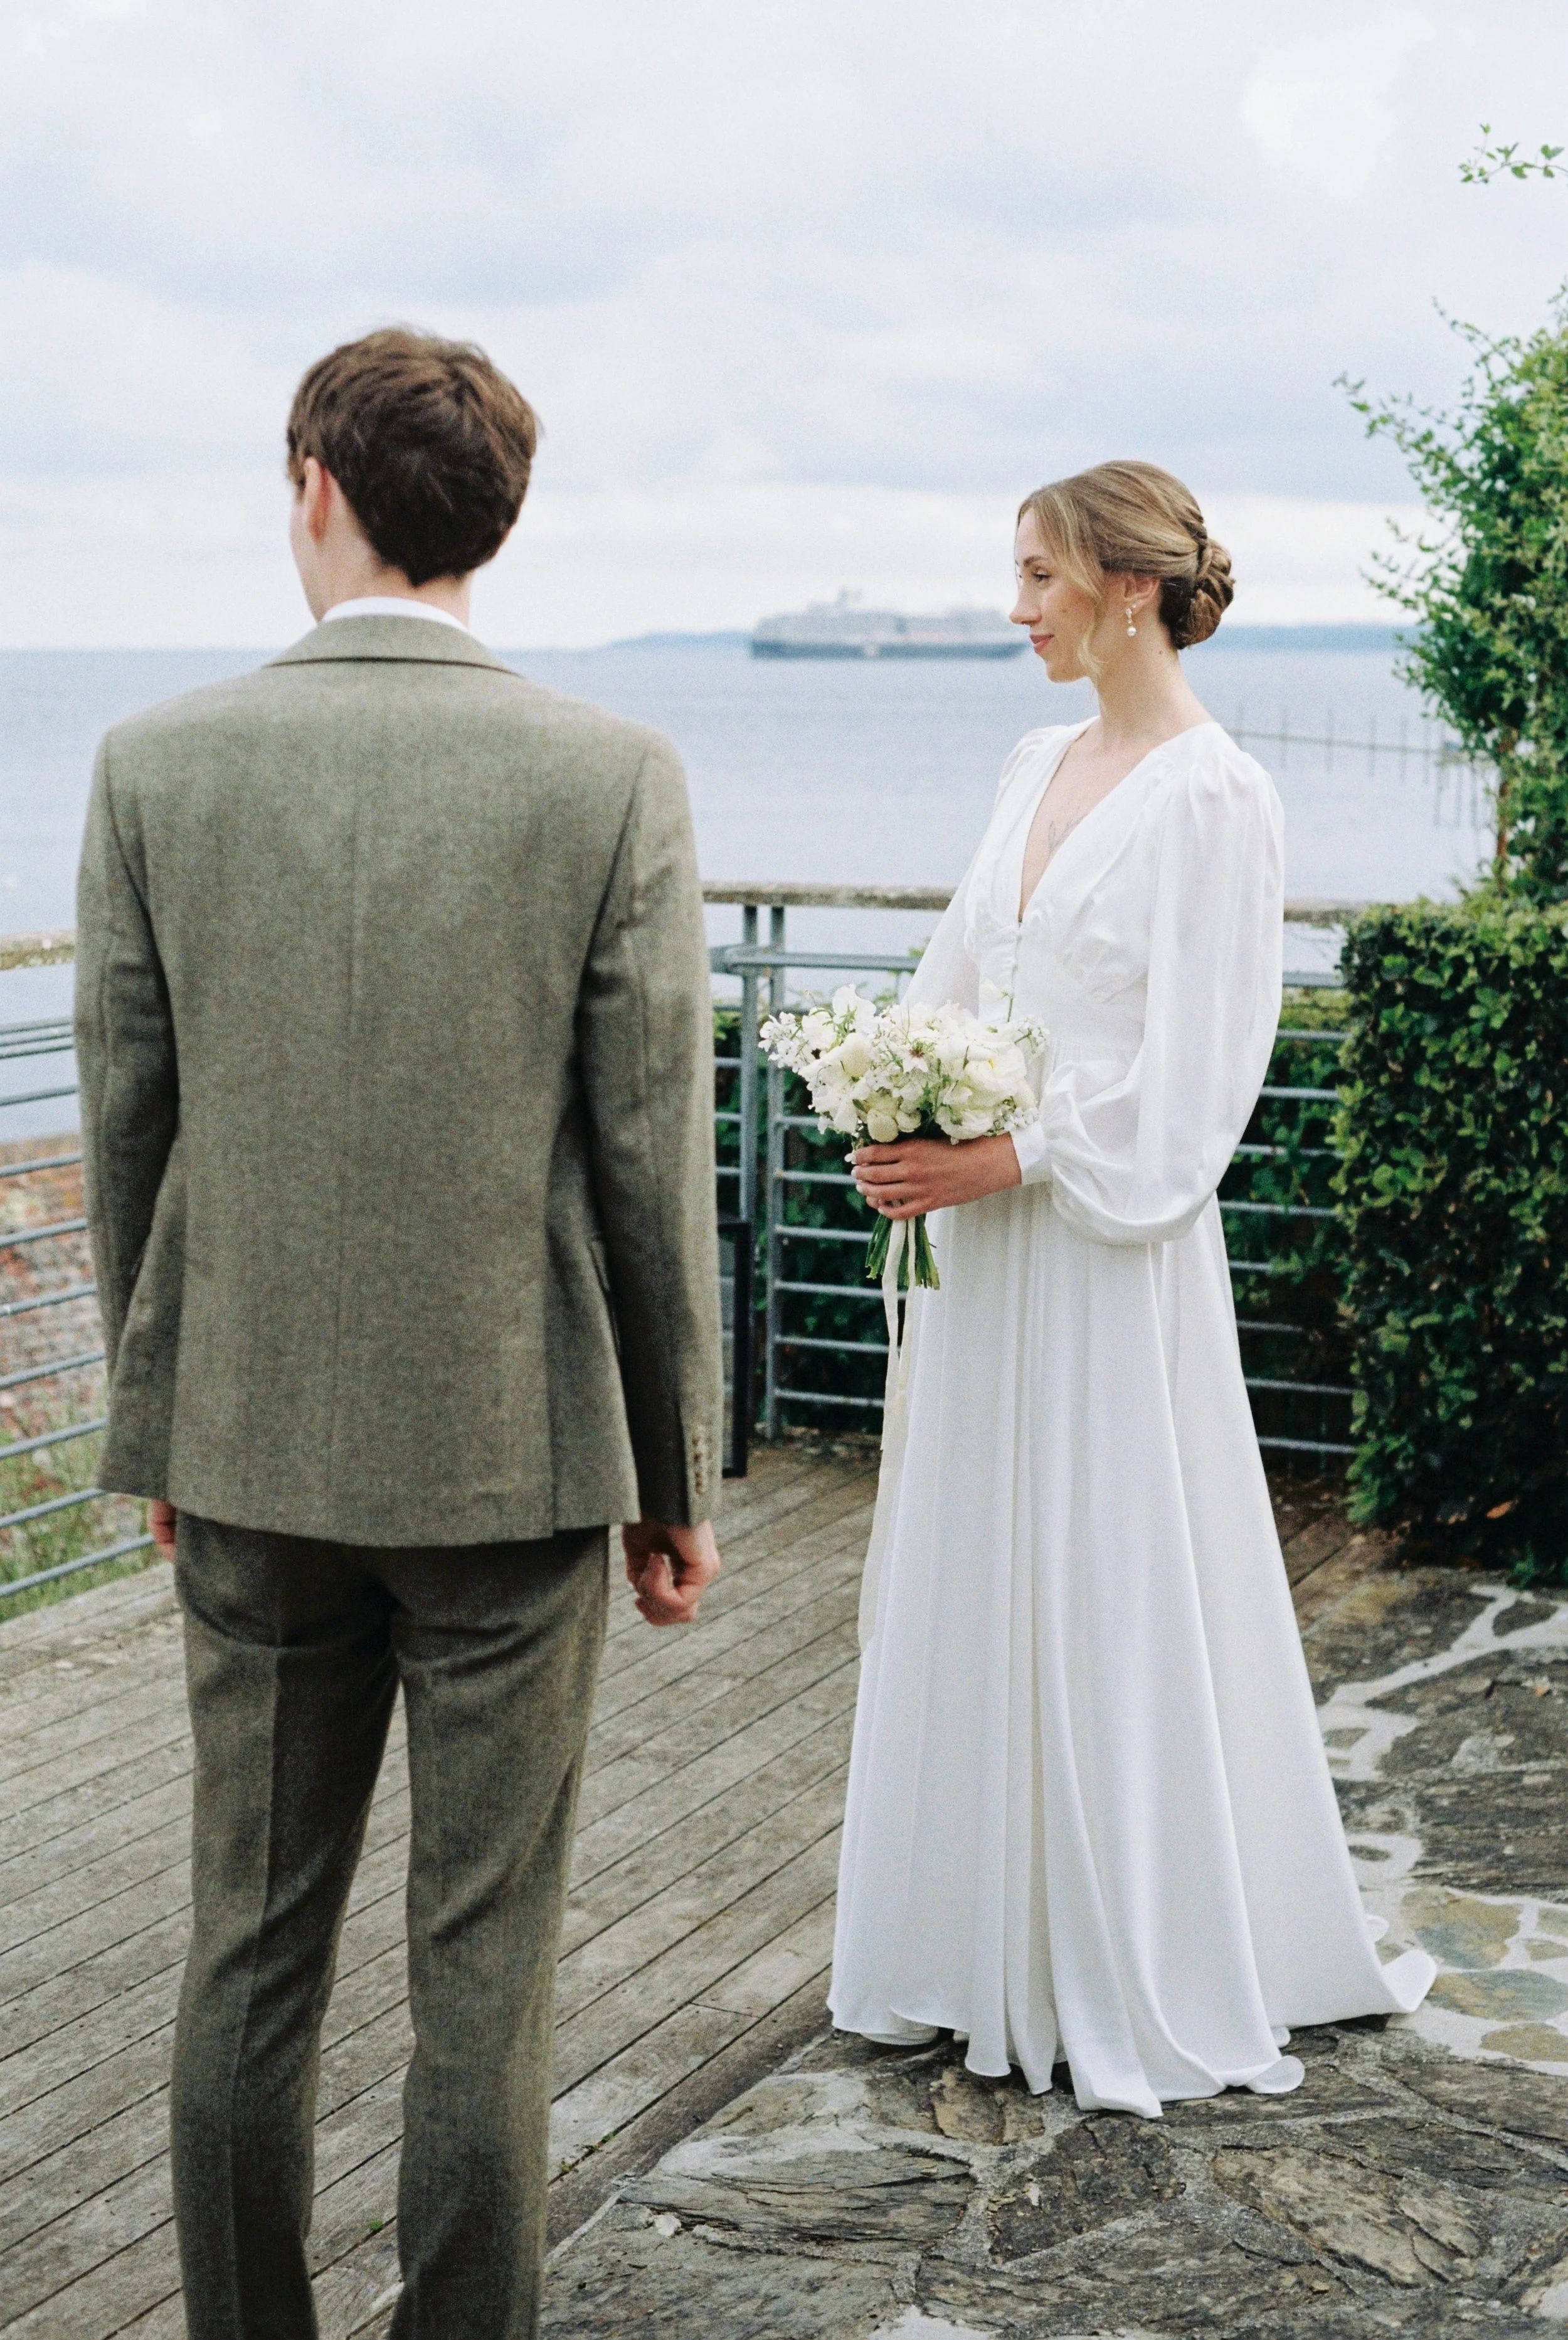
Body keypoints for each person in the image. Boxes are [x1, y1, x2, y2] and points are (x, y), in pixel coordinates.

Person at [75, 327, 724, 2339]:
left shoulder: (155, 763)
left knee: (246, 1954)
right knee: (482, 1974)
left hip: (247, 1452)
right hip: (514, 1464)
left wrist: (160, 1418)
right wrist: (676, 1476)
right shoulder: (609, 776)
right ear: (493, 520)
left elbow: (128, 1126)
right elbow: (647, 1155)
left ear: (315, 487)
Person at [830, 459, 1433, 2118]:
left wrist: (1013, 1156)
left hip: (1104, 1256)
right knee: (971, 1556)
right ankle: (970, 1950)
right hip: (980, 1256)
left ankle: (1120, 1950)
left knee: (1103, 1567)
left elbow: (1202, 1080)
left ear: (1130, 588)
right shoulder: (1032, 762)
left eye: (1039, 576)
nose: (1017, 609)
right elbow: (958, 976)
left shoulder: (1216, 796)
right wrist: (887, 1094)